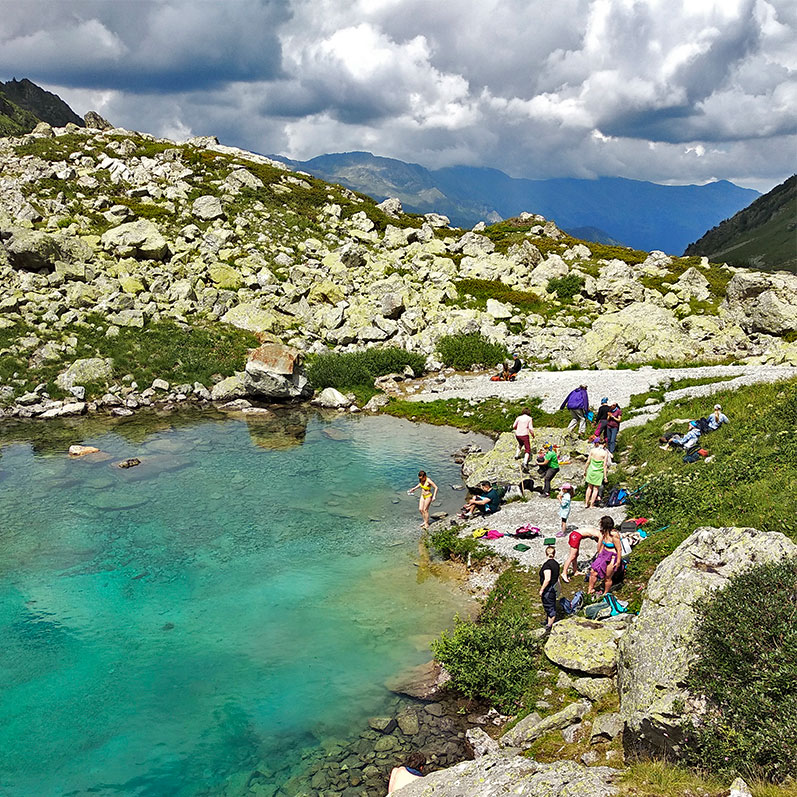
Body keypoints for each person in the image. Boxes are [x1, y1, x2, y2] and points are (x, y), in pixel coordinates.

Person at [588, 515, 622, 596]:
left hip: (612, 556)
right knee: (593, 572)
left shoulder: (614, 535)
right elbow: (602, 544)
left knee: (607, 577)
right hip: (603, 554)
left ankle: (605, 593)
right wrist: (599, 553)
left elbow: (619, 549)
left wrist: (618, 561)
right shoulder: (604, 533)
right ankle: (590, 589)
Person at [539, 545, 561, 631]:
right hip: (554, 587)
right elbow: (557, 577)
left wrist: (542, 589)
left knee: (549, 606)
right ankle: (548, 621)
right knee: (549, 604)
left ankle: (549, 625)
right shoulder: (556, 564)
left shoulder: (547, 565)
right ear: (554, 554)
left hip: (548, 589)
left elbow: (547, 579)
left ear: (546, 554)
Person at [584, 438, 610, 508]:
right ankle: (591, 504)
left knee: (589, 487)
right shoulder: (605, 453)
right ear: (604, 444)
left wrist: (585, 470)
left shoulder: (592, 450)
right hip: (598, 472)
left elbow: (588, 462)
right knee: (595, 489)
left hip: (591, 470)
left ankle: (586, 503)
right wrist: (605, 476)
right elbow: (605, 465)